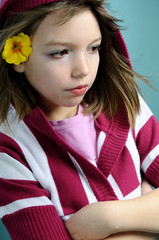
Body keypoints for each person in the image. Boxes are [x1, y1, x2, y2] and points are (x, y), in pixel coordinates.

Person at [0, 0, 158, 239]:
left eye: (93, 48)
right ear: (18, 56)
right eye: (60, 52)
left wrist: (111, 218)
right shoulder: (8, 148)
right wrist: (148, 212)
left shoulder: (123, 102)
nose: (83, 69)